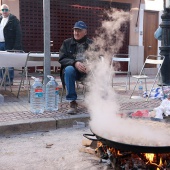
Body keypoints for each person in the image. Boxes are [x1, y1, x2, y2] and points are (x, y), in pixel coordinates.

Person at [59, 21, 93, 114]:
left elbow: (98, 57)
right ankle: (72, 102)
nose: (76, 33)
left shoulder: (91, 43)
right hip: (73, 71)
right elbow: (62, 58)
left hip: (87, 71)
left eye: (79, 30)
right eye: (75, 30)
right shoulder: (67, 43)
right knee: (69, 69)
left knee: (101, 71)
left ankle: (99, 100)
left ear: (85, 32)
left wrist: (91, 65)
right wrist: (74, 63)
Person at [0, 4, 22, 85]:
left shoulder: (14, 20)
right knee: (1, 63)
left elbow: (18, 34)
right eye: (3, 10)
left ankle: (9, 80)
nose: (4, 12)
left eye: (6, 10)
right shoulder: (0, 20)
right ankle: (2, 79)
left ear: (9, 11)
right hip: (0, 44)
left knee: (9, 63)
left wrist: (16, 46)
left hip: (9, 44)